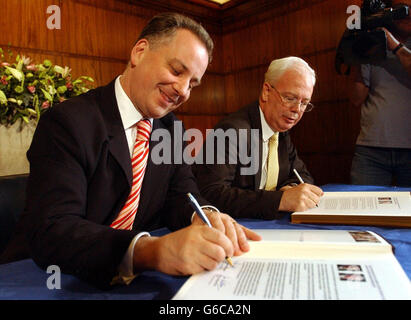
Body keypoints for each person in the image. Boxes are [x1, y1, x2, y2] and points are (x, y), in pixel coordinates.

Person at [19, 12, 261, 289]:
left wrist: (204, 215)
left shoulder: (173, 129)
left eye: (192, 84)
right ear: (140, 52)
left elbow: (181, 195)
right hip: (50, 278)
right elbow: (54, 229)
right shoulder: (68, 121)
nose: (182, 90)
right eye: (177, 71)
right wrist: (152, 251)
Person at [193, 57, 323, 220]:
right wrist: (280, 200)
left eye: (304, 103)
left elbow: (302, 175)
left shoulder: (281, 131)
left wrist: (291, 188)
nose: (296, 110)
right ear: (266, 91)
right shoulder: (233, 130)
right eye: (290, 98)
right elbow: (211, 193)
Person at [349, 0, 411, 187]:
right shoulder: (375, 45)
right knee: (362, 212)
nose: (405, 13)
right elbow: (356, 99)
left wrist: (395, 46)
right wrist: (357, 58)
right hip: (371, 150)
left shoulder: (392, 45)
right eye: (399, 8)